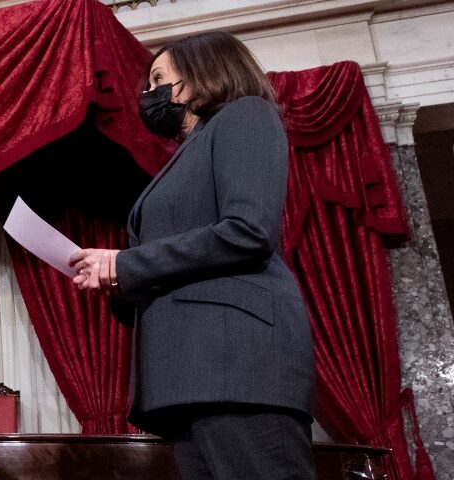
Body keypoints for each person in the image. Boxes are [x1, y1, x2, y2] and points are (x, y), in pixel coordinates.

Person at [69, 31, 315, 480]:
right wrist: (118, 281)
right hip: (190, 377)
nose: (148, 94)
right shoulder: (184, 155)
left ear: (202, 75)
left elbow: (247, 231)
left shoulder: (245, 116)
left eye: (159, 79)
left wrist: (125, 263)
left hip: (238, 369)